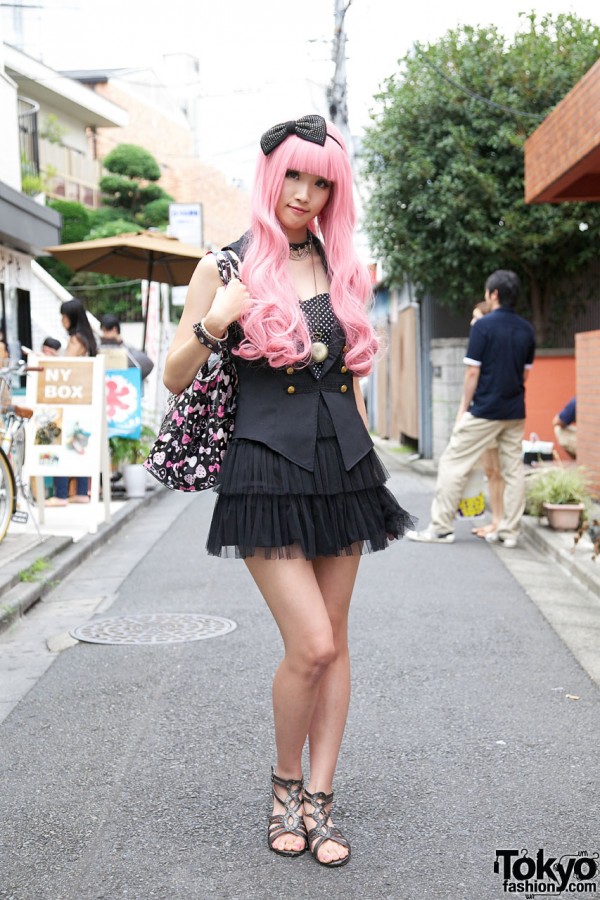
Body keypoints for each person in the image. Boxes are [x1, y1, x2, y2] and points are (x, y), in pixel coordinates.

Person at [163, 114, 414, 868]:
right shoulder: (226, 266)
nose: (305, 194)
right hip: (264, 469)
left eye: (321, 182)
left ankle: (321, 800)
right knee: (308, 644)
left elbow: (352, 379)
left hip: (345, 470)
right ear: (272, 177)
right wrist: (215, 322)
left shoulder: (340, 268)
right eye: (294, 178)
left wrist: (370, 459)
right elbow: (174, 378)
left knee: (335, 644)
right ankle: (282, 787)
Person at [408, 269, 535, 549]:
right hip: (515, 412)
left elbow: (471, 374)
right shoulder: (527, 329)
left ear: (494, 294)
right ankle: (509, 532)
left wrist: (463, 409)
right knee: (513, 471)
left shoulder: (483, 326)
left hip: (485, 410)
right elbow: (525, 375)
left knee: (453, 462)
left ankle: (441, 528)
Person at [47, 299, 97, 506]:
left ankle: (60, 494)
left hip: (70, 400)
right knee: (78, 445)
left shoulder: (77, 340)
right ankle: (82, 492)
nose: (61, 320)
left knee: (62, 443)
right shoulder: (87, 339)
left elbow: (67, 367)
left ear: (71, 318)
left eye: (63, 316)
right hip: (84, 400)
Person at [468, 302, 504, 540]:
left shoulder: (488, 341)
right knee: (491, 471)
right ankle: (496, 521)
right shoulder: (489, 340)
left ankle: (498, 521)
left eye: (476, 317)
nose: (472, 322)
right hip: (492, 411)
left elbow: (473, 374)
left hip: (489, 413)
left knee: (496, 471)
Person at [99, 314, 154, 380]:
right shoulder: (99, 347)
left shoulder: (126, 348)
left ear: (114, 330)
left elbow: (148, 364)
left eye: (105, 331)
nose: (103, 335)